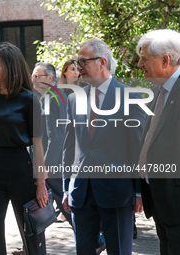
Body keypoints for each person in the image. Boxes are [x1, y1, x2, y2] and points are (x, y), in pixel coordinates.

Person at [62, 38, 145, 255]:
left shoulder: (130, 96)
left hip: (117, 193)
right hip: (81, 193)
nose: (78, 68)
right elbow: (69, 147)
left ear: (102, 62)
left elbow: (137, 147)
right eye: (77, 63)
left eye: (83, 62)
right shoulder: (74, 99)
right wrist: (66, 188)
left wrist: (139, 191)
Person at [0, 42, 48, 255]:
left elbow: (38, 142)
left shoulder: (29, 99)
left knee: (31, 231)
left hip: (21, 167)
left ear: (10, 67)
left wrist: (41, 183)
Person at [136, 29, 180, 255]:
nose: (139, 64)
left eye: (144, 58)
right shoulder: (159, 90)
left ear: (165, 60)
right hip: (161, 202)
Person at [32, 62, 71, 224]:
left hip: (53, 163)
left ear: (49, 78)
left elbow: (56, 136)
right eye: (32, 76)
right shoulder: (55, 95)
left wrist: (45, 167)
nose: (33, 79)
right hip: (56, 161)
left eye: (37, 76)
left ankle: (96, 240)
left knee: (63, 203)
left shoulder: (50, 98)